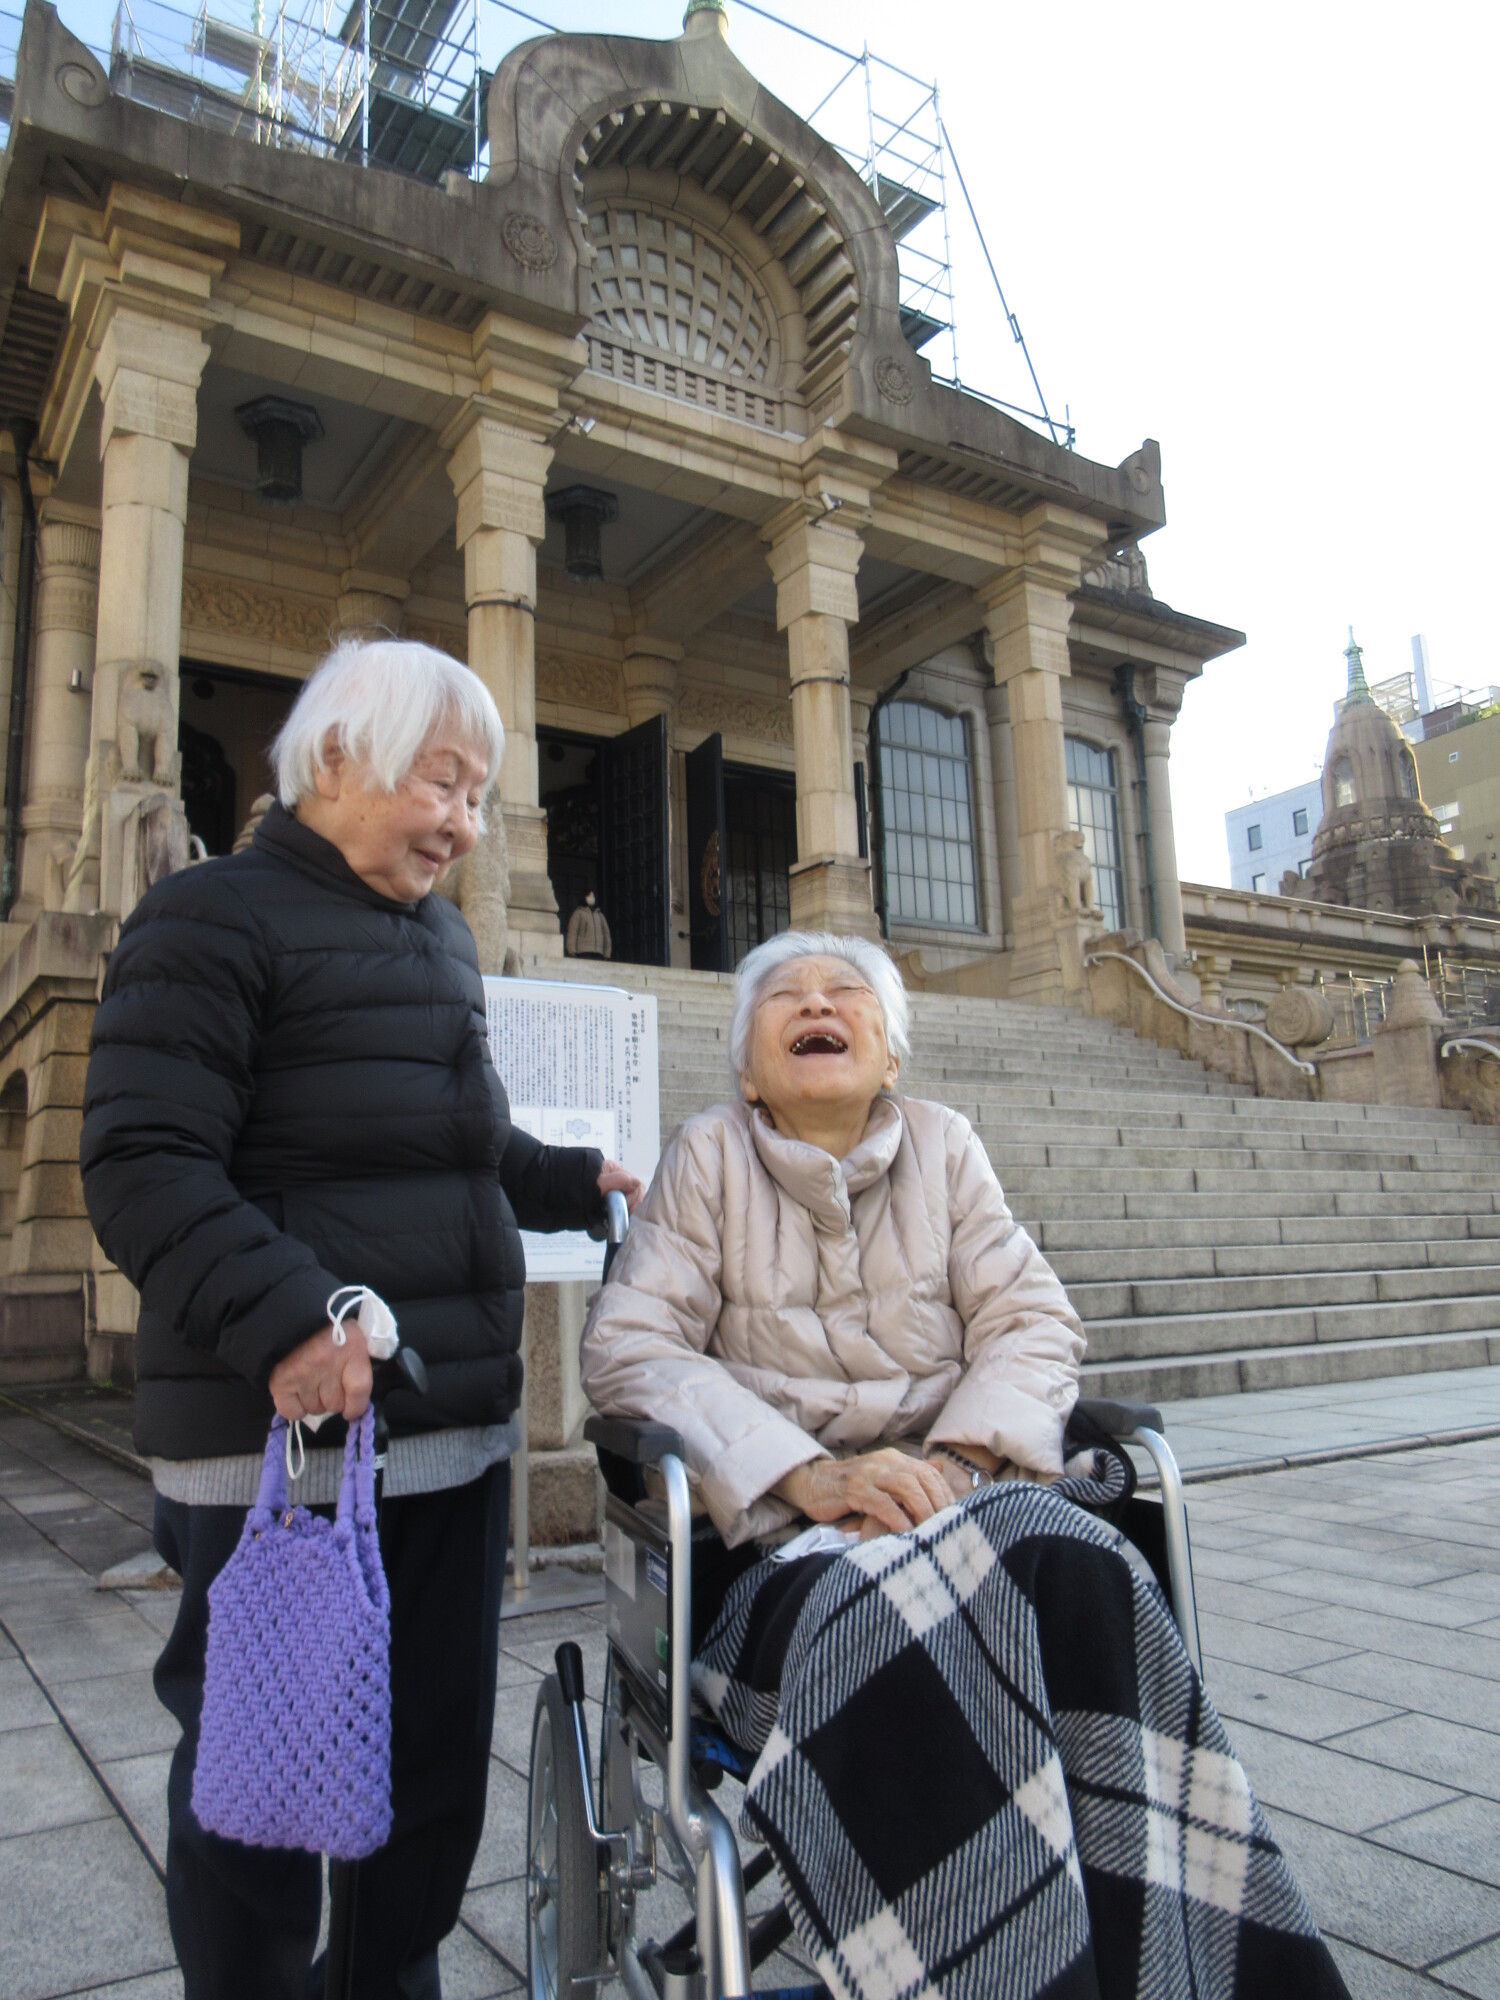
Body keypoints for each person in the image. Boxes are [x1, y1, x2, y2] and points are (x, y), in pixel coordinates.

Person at [580, 931, 1348, 2000]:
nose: (818, 1002)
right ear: (749, 1070)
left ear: (892, 1055)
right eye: (786, 996)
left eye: (847, 991)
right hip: (791, 1550)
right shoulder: (708, 1154)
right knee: (901, 1622)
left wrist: (958, 1455)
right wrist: (807, 1474)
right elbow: (630, 1346)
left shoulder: (945, 1146)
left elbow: (1032, 1317)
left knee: (1080, 1560)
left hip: (969, 1500)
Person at [81, 639, 642, 2000]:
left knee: (429, 1765)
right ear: (335, 759)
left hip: (446, 1428)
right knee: (262, 1774)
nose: (461, 820)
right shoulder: (209, 917)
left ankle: (388, 1984)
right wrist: (287, 1321)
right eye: (440, 783)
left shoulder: (436, 937)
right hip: (290, 1435)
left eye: (478, 792)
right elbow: (144, 1160)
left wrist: (564, 1181)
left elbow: (458, 1135)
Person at [565, 886, 612, 959]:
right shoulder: (578, 913)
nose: (592, 898)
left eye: (593, 896)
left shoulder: (600, 915)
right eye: (589, 896)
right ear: (584, 897)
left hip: (598, 952)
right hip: (583, 952)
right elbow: (572, 932)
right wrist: (571, 950)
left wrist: (607, 953)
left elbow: (606, 934)